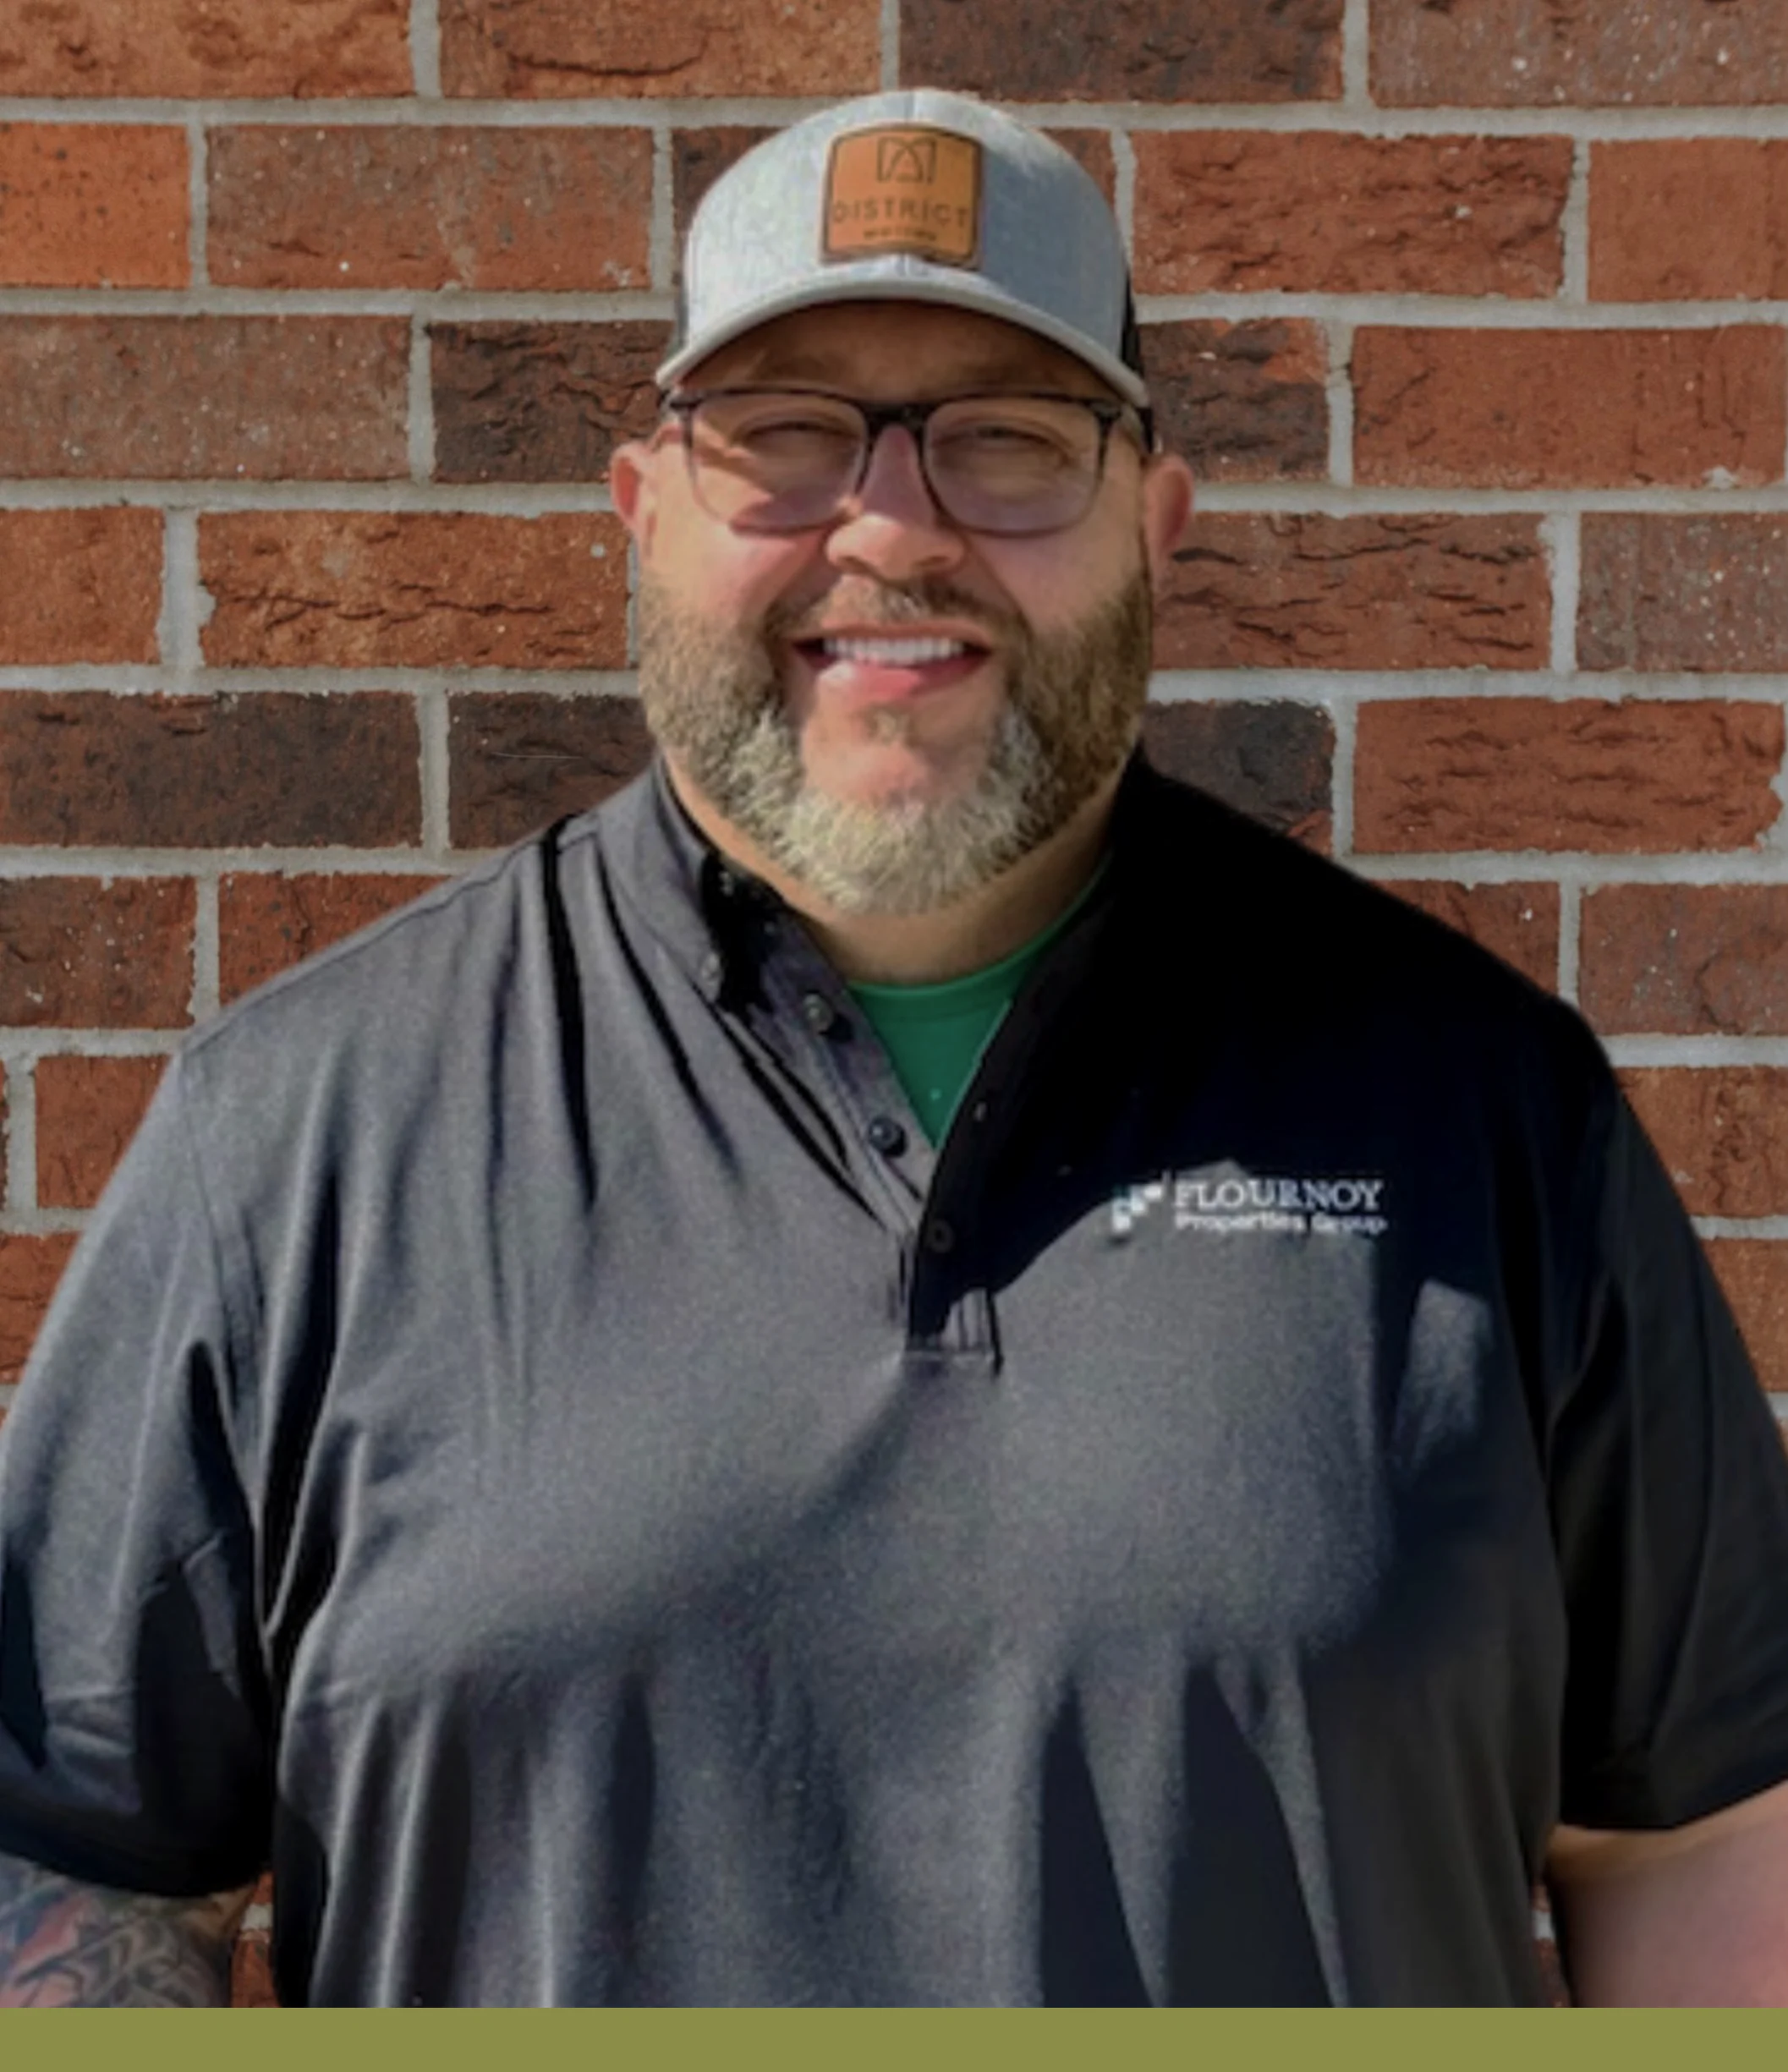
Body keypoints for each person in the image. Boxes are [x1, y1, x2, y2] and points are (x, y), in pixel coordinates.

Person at [3, 88, 1788, 2010]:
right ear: (641, 509)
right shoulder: (305, 1138)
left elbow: (1694, 1826)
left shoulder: (1487, 1116)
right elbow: (71, 1854)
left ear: (1154, 523)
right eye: (781, 437)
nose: (889, 526)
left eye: (1008, 444)